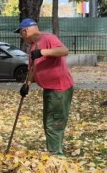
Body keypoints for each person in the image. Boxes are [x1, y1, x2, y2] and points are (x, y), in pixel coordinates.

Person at [15, 18, 74, 156]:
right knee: (49, 121)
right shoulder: (33, 46)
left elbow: (64, 51)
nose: (21, 37)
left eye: (21, 33)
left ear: (25, 31)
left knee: (54, 122)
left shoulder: (48, 38)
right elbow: (32, 69)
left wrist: (43, 52)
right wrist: (27, 84)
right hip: (50, 89)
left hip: (59, 88)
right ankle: (54, 152)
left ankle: (56, 157)